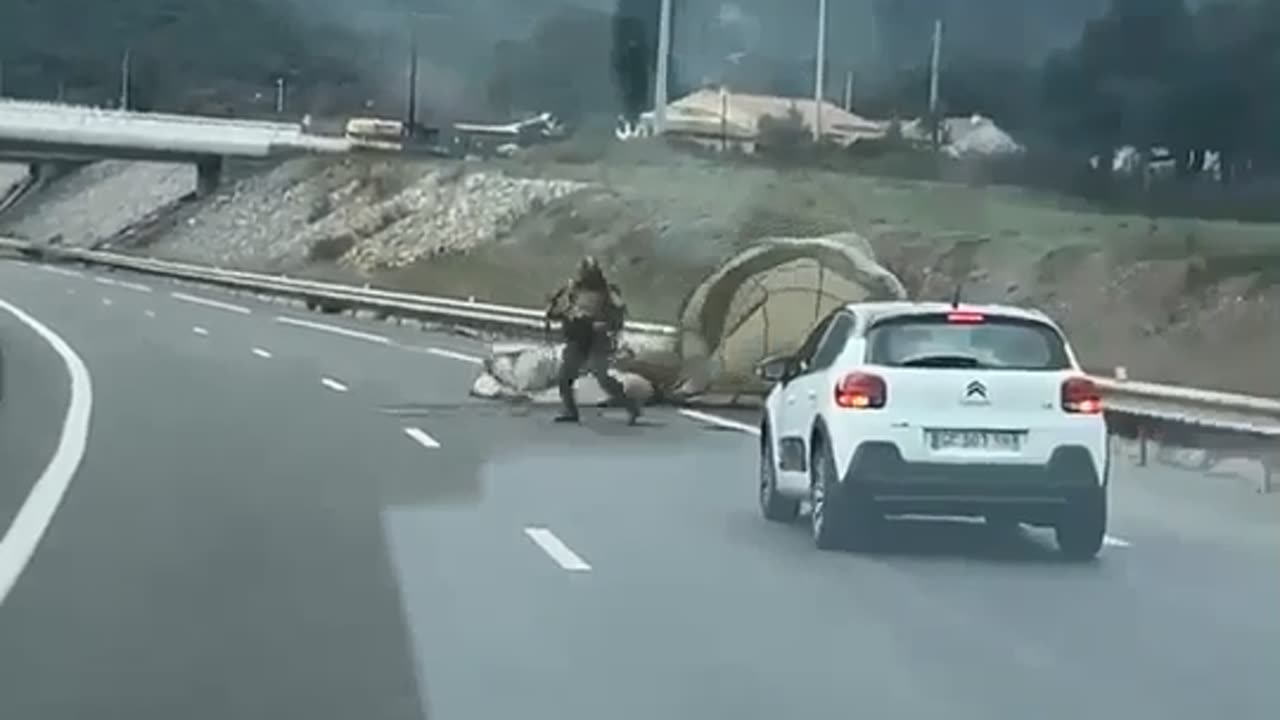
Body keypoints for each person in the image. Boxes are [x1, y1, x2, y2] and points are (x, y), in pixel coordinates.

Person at [545, 256, 641, 425]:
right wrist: (555, 310)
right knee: (565, 377)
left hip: (598, 339)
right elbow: (562, 311)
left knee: (602, 377)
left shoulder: (608, 293)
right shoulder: (572, 290)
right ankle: (570, 411)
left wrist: (605, 325)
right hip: (578, 337)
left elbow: (618, 316)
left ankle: (630, 405)